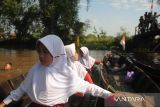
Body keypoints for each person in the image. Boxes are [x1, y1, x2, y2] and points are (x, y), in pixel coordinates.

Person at [0, 35, 119, 107]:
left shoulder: (67, 74)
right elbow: (21, 89)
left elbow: (89, 87)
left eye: (45, 52)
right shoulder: (35, 69)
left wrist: (109, 95)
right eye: (39, 51)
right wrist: (4, 102)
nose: (41, 55)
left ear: (56, 53)